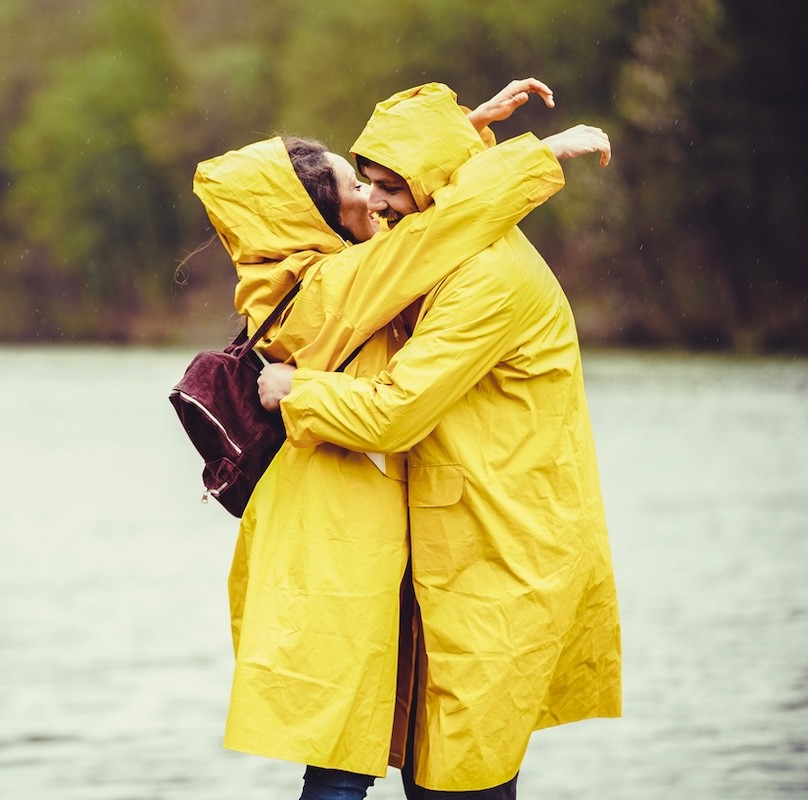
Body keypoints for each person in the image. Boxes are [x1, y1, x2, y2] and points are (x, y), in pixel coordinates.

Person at [192, 80, 613, 799]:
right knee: (396, 763)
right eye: (363, 185)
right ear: (317, 216)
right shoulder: (344, 278)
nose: (376, 201)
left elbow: (436, 223)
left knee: (434, 766)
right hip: (438, 538)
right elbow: (436, 228)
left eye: (384, 184)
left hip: (486, 538)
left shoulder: (436, 270)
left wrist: (460, 137)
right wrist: (529, 154)